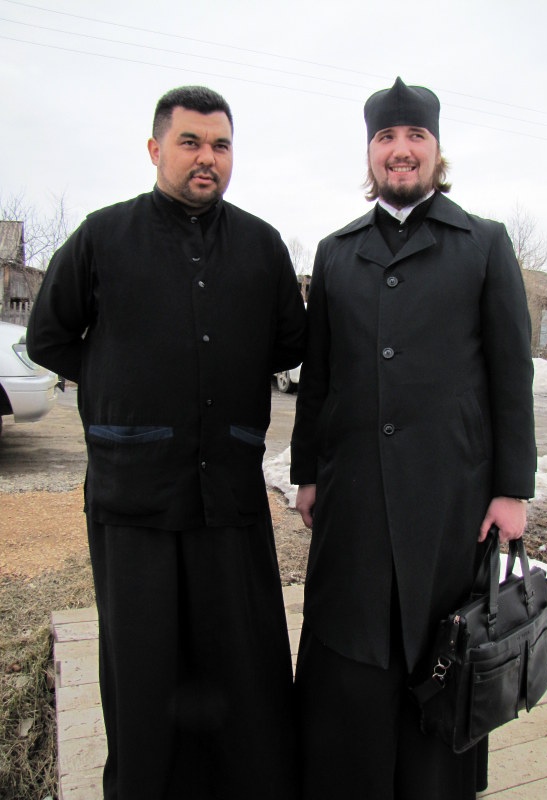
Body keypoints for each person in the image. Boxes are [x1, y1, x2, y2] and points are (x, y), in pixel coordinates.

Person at [27, 85, 305, 800]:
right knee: (143, 664)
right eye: (190, 142)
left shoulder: (262, 246)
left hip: (228, 492)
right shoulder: (103, 236)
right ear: (156, 149)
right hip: (134, 493)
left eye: (220, 145)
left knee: (240, 660)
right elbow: (49, 336)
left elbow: (288, 343)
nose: (206, 158)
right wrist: (118, 381)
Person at [290, 76, 536, 800]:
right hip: (354, 500)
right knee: (351, 654)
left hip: (451, 501)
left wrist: (512, 489)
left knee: (442, 655)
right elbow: (319, 377)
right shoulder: (336, 253)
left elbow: (510, 374)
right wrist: (308, 473)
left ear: (436, 149)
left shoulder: (483, 244)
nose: (401, 150)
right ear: (370, 152)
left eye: (415, 137)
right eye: (386, 138)